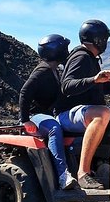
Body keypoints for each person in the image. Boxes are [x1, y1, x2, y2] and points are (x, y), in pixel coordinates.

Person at [55, 19, 110, 189]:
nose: (106, 43)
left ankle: (106, 163)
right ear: (97, 39)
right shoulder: (81, 57)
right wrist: (94, 79)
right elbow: (67, 86)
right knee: (102, 113)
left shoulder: (91, 59)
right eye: (105, 39)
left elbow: (98, 88)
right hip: (66, 114)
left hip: (80, 112)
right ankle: (83, 173)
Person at [19, 34, 77, 190]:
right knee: (53, 128)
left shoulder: (56, 69)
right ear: (55, 51)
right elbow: (25, 92)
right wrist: (25, 119)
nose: (67, 50)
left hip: (48, 114)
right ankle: (63, 175)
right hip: (36, 116)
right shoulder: (42, 71)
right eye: (64, 48)